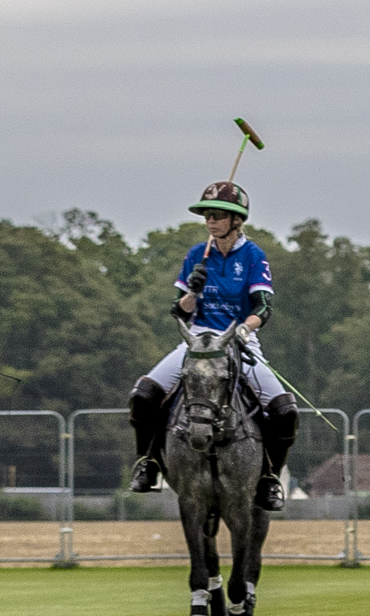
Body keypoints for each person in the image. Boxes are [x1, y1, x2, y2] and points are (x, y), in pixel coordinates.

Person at [123, 180, 300, 513]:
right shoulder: (196, 255)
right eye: (207, 215)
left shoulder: (252, 255)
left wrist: (246, 330)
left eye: (218, 215)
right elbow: (180, 310)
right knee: (143, 395)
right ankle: (148, 462)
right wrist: (193, 291)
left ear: (236, 220)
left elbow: (263, 305)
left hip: (237, 340)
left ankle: (270, 478)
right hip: (198, 342)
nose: (210, 221)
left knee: (285, 411)